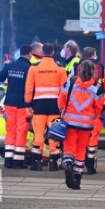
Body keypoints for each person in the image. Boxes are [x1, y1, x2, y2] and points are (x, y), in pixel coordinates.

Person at [58, 61, 105, 190]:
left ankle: (67, 164)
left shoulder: (70, 83)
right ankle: (77, 178)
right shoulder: (97, 88)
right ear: (93, 71)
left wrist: (63, 111)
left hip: (69, 122)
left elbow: (61, 100)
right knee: (81, 149)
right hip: (86, 124)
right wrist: (93, 116)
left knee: (69, 147)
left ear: (79, 70)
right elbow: (99, 107)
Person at [24, 43, 68, 171]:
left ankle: (37, 161)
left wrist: (28, 104)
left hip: (39, 105)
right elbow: (64, 91)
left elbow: (29, 88)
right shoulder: (60, 70)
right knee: (54, 133)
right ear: (53, 52)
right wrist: (63, 107)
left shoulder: (34, 69)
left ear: (43, 52)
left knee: (38, 133)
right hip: (55, 105)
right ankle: (53, 163)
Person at [0, 44, 33, 169]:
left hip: (9, 103)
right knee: (21, 131)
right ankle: (18, 160)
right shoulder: (29, 68)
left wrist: (6, 66)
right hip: (23, 104)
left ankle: (8, 160)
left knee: (10, 130)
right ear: (30, 54)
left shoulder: (10, 66)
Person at [75, 47, 105, 175]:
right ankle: (91, 164)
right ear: (94, 55)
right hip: (95, 108)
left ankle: (79, 163)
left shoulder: (77, 66)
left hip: (78, 108)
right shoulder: (101, 68)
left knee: (80, 138)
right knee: (93, 136)